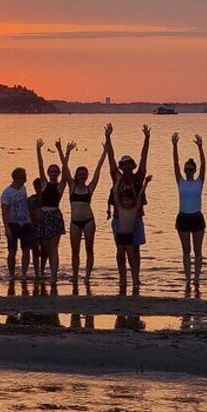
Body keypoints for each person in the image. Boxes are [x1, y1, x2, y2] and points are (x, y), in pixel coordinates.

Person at [104, 124, 150, 293]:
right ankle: (123, 279)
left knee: (136, 249)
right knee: (120, 251)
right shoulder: (117, 178)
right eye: (124, 165)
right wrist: (108, 138)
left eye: (129, 165)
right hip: (119, 219)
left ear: (132, 165)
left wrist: (147, 139)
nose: (127, 167)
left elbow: (144, 157)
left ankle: (136, 279)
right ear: (121, 167)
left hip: (136, 218)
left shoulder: (138, 177)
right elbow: (110, 158)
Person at [64, 144, 107, 290]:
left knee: (89, 249)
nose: (82, 176)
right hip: (75, 222)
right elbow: (65, 169)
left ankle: (87, 277)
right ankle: (75, 277)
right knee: (75, 251)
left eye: (84, 174)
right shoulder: (71, 186)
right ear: (76, 176)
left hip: (89, 221)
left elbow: (99, 169)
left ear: (86, 176)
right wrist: (66, 153)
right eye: (79, 174)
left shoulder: (90, 187)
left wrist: (105, 151)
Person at [35, 138, 73, 289]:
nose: (52, 173)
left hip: (55, 216)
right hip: (44, 217)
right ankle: (49, 273)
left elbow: (65, 168)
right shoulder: (44, 183)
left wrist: (62, 151)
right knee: (45, 247)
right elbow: (40, 166)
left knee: (53, 249)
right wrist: (38, 150)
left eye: (54, 172)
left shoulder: (60, 185)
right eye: (51, 171)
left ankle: (53, 276)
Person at [172, 133, 206, 291]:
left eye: (191, 169)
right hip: (183, 218)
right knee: (186, 251)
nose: (189, 171)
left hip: (197, 217)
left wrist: (200, 147)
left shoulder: (199, 181)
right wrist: (174, 146)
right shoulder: (181, 182)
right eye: (187, 169)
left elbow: (204, 164)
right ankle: (187, 279)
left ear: (195, 170)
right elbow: (175, 164)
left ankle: (196, 279)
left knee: (198, 250)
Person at [112, 173, 153, 294]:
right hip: (120, 236)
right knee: (120, 256)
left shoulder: (134, 209)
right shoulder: (120, 208)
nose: (126, 201)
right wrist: (118, 181)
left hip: (129, 236)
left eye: (128, 199)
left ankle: (135, 280)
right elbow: (115, 193)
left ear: (132, 201)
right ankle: (123, 279)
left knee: (131, 258)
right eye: (124, 199)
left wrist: (145, 183)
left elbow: (140, 195)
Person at [0, 167, 37, 283]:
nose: (25, 179)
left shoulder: (23, 189)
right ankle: (11, 274)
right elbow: (4, 211)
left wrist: (31, 220)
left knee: (26, 250)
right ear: (17, 178)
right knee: (12, 251)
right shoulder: (7, 193)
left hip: (25, 223)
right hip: (13, 224)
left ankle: (24, 274)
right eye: (23, 177)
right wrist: (7, 228)